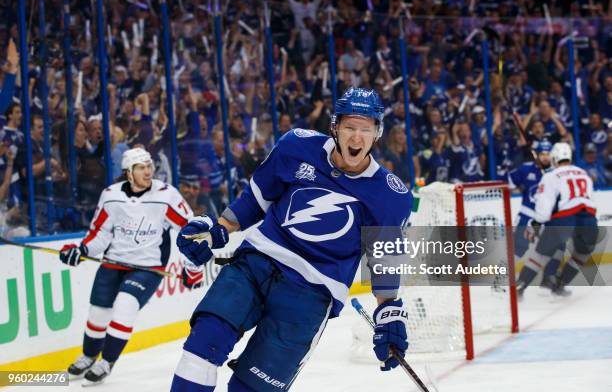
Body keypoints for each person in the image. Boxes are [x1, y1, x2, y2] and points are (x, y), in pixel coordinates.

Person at [171, 88, 412, 391]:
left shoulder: (390, 197)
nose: (356, 137)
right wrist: (218, 229)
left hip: (311, 296)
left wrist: (389, 314)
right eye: (350, 126)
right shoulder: (297, 146)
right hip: (256, 265)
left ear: (377, 134)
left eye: (366, 129)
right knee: (201, 348)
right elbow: (254, 201)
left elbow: (385, 269)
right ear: (334, 127)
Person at [59, 148, 193, 385]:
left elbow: (190, 230)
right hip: (113, 263)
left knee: (125, 305)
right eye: (141, 167)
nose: (148, 171)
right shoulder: (111, 195)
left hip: (148, 268)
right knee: (98, 314)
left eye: (149, 166)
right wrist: (81, 250)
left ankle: (107, 361)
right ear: (128, 173)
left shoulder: (165, 195)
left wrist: (192, 265)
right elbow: (99, 233)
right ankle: (88, 356)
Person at [517, 142, 598, 297]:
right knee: (582, 253)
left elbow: (544, 209)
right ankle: (559, 284)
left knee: (541, 253)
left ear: (554, 158)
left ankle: (521, 285)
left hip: (566, 217)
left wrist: (536, 222)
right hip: (588, 218)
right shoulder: (583, 173)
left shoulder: (550, 176)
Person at [508, 141, 559, 292]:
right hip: (526, 215)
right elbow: (509, 181)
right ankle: (499, 281)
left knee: (553, 249)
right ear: (537, 154)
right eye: (542, 154)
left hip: (546, 219)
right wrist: (518, 187)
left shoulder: (555, 173)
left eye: (548, 154)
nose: (545, 157)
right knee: (518, 249)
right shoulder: (526, 169)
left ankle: (547, 281)